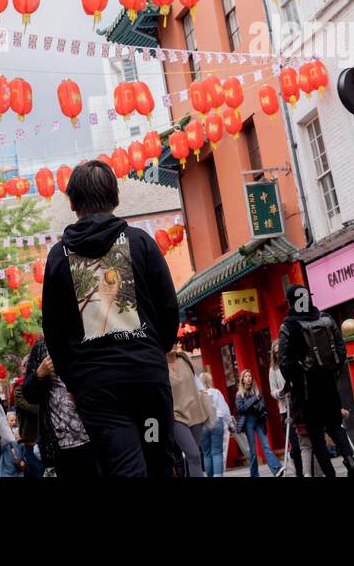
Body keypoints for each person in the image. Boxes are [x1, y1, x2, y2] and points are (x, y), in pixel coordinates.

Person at [41, 160, 180, 477]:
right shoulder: (140, 243)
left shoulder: (60, 257)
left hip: (98, 388)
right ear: (116, 197)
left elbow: (54, 330)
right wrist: (156, 350)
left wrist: (74, 380)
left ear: (72, 202)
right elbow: (168, 308)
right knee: (157, 459)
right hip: (147, 380)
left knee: (124, 466)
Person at [277, 285, 354, 477]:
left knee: (316, 436)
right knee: (335, 426)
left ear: (291, 303)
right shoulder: (326, 319)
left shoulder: (288, 326)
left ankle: (330, 474)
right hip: (329, 384)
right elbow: (341, 349)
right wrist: (333, 371)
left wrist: (295, 379)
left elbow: (284, 362)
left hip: (306, 390)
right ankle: (350, 459)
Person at [21, 337, 94, 477]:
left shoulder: (86, 339)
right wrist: (38, 374)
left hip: (92, 436)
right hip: (60, 444)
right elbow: (29, 395)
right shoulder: (41, 347)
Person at [167, 346, 208, 477]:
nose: (173, 344)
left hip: (196, 412)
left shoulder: (185, 359)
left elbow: (198, 385)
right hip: (176, 416)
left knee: (192, 457)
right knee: (194, 455)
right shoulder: (159, 365)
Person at [235, 369, 284, 477]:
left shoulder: (257, 391)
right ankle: (254, 475)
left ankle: (276, 469)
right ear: (242, 380)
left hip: (258, 421)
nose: (248, 378)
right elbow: (241, 409)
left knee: (266, 446)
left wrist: (261, 409)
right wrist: (253, 400)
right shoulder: (239, 394)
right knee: (253, 450)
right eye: (246, 376)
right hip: (248, 422)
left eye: (250, 376)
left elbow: (263, 406)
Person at [269, 340, 304, 476]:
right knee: (295, 444)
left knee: (305, 442)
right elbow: (273, 390)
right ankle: (299, 472)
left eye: (280, 351)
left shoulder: (293, 362)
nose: (279, 354)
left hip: (299, 406)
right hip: (286, 409)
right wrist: (281, 392)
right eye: (276, 352)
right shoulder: (273, 370)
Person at [11, 378, 44, 479]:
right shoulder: (19, 389)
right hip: (30, 439)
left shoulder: (42, 385)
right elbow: (30, 408)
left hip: (43, 438)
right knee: (34, 469)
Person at [199, 371, 230, 477]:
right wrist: (230, 424)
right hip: (217, 420)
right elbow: (225, 410)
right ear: (210, 381)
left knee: (206, 453)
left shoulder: (198, 394)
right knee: (217, 451)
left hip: (203, 422)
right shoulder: (216, 392)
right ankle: (218, 475)